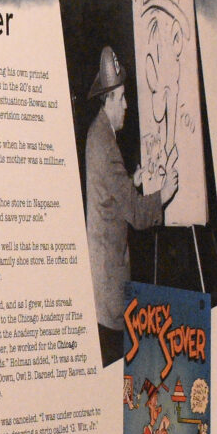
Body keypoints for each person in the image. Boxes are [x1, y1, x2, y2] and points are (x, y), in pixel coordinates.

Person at [81, 46, 174, 360]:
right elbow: (135, 213)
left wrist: (131, 182)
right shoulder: (106, 146)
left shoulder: (97, 133)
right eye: (121, 98)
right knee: (115, 361)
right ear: (108, 100)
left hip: (100, 272)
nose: (126, 105)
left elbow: (110, 193)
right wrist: (164, 194)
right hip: (108, 282)